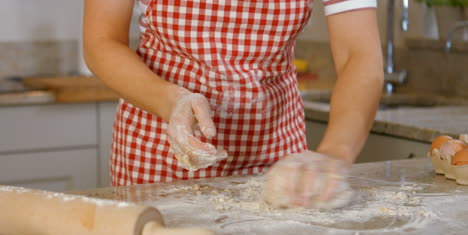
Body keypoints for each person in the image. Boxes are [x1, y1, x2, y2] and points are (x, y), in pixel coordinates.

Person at [83, 0, 383, 208]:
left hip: (275, 154)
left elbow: (359, 56)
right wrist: (169, 100)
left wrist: (334, 154)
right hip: (160, 151)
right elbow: (102, 40)